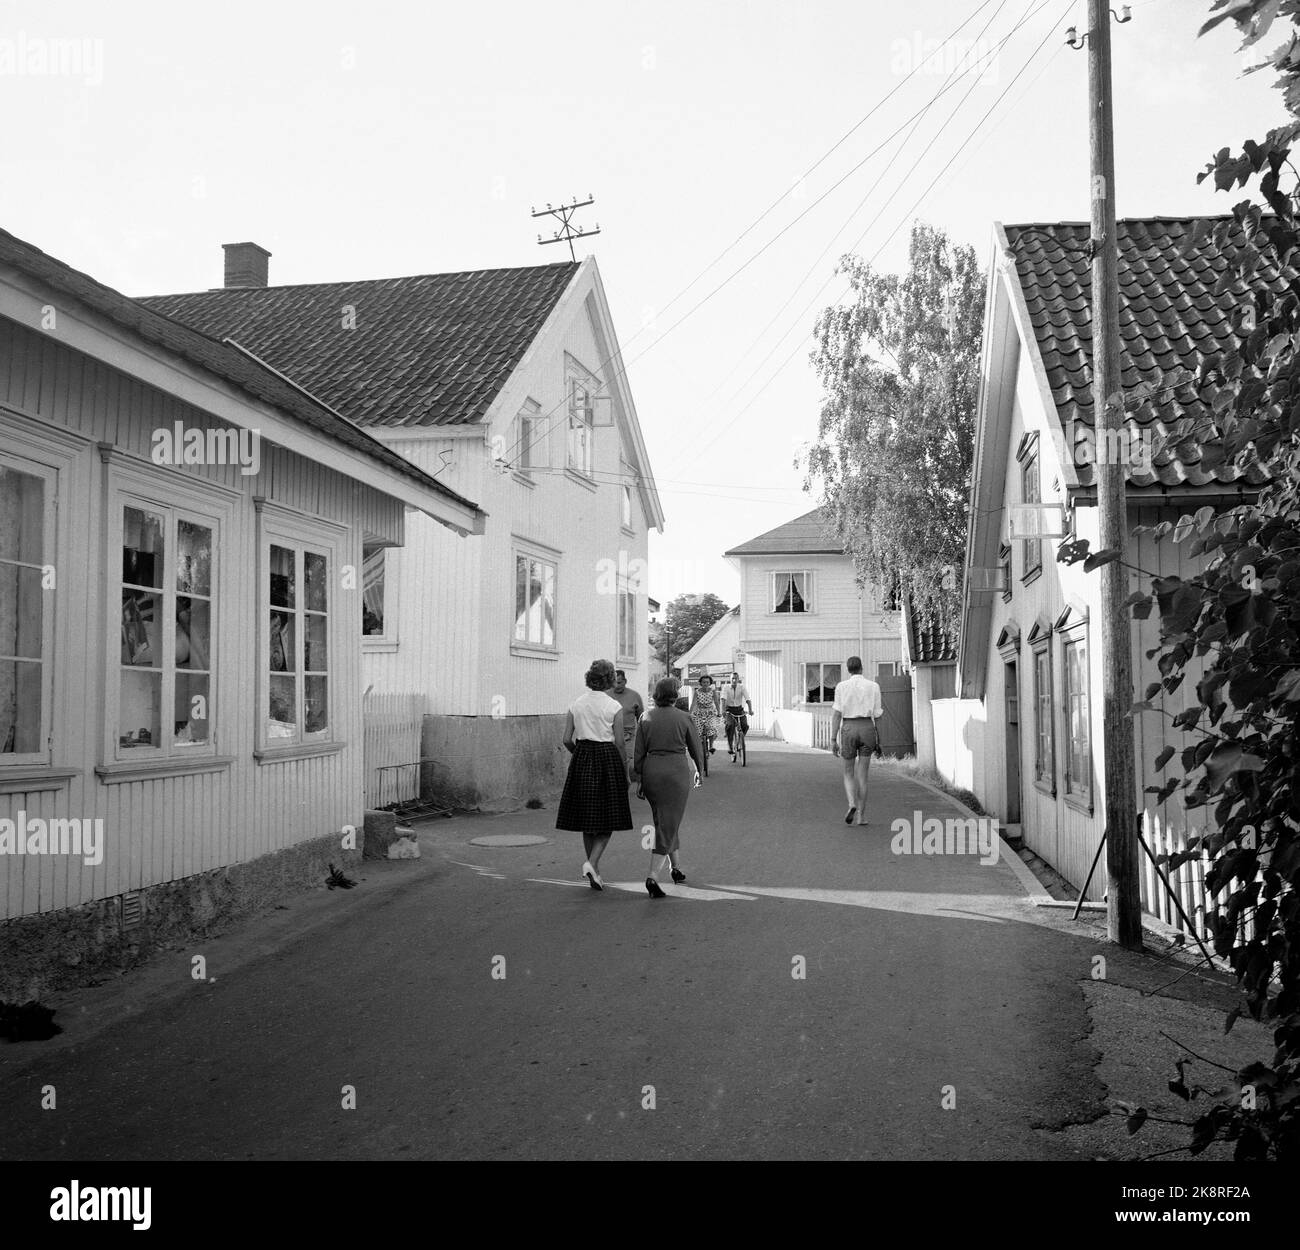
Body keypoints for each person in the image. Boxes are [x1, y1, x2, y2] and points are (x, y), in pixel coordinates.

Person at [556, 659, 634, 889]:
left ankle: (595, 870)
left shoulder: (576, 704)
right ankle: (592, 864)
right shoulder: (613, 707)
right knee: (610, 817)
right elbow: (620, 742)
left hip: (582, 757)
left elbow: (565, 739)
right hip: (607, 758)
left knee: (588, 819)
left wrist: (579, 753)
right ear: (610, 679)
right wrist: (625, 769)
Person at [631, 676, 705, 898]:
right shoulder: (684, 718)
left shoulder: (646, 716)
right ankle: (653, 875)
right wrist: (699, 770)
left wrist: (641, 779)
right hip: (675, 773)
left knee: (664, 821)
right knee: (668, 823)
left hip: (652, 771)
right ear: (675, 695)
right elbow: (695, 748)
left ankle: (676, 869)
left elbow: (638, 753)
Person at [830, 656, 883, 827]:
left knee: (848, 772)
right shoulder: (873, 686)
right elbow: (878, 715)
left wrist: (833, 739)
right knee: (863, 776)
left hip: (849, 728)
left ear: (848, 669)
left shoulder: (841, 687)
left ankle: (851, 803)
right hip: (867, 727)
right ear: (862, 668)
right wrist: (879, 740)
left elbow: (837, 714)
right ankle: (861, 816)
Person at [611, 669, 645, 781]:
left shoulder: (635, 696)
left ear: (625, 681)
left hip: (628, 735)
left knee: (626, 761)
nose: (616, 685)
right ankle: (620, 783)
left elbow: (641, 718)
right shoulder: (606, 695)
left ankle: (625, 782)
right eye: (614, 682)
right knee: (613, 763)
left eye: (619, 682)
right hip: (609, 734)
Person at [721, 670, 754, 756]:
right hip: (729, 710)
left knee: (745, 725)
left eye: (736, 678)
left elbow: (748, 699)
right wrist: (723, 711)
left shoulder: (742, 687)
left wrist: (750, 710)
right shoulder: (726, 687)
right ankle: (730, 746)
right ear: (730, 679)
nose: (734, 680)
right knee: (730, 725)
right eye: (733, 679)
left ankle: (740, 741)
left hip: (739, 709)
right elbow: (723, 700)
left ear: (738, 679)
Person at [689, 673, 722, 755]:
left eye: (707, 682)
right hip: (699, 713)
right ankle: (700, 747)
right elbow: (693, 703)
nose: (705, 684)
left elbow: (716, 702)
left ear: (710, 683)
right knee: (697, 730)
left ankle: (711, 746)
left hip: (710, 712)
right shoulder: (697, 692)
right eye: (704, 682)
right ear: (701, 683)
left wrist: (719, 712)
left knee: (711, 727)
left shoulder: (713, 691)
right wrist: (689, 714)